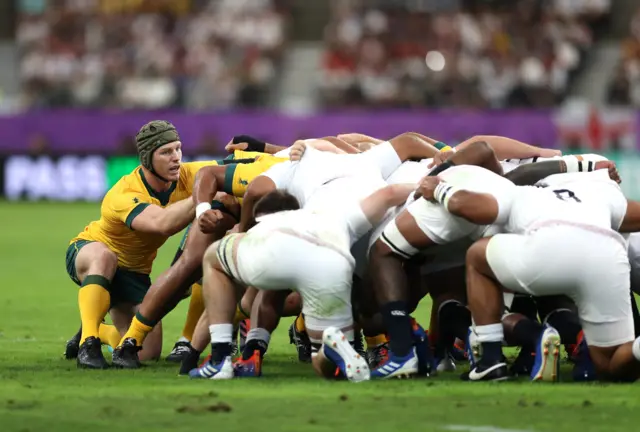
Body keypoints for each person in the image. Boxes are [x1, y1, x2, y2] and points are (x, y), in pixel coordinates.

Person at [421, 167, 640, 382]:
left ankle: (490, 360)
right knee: (611, 365)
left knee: (478, 255)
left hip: (546, 250)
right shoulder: (598, 193)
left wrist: (438, 189)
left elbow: (471, 208)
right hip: (607, 257)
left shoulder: (520, 192)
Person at [190, 181, 415, 381]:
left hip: (271, 251)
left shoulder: (268, 220)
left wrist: (193, 351)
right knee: (320, 358)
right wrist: (428, 184)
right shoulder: (341, 210)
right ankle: (334, 350)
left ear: (262, 217)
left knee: (213, 258)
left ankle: (220, 360)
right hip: (332, 262)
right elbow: (390, 193)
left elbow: (251, 303)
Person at [64, 120, 220, 369]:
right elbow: (162, 223)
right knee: (105, 258)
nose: (176, 158)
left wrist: (279, 154)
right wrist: (205, 194)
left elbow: (236, 168)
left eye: (178, 149)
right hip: (89, 250)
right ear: (147, 158)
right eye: (166, 152)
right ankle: (88, 342)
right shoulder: (124, 193)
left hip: (134, 274)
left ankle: (98, 329)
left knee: (147, 353)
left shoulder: (189, 175)